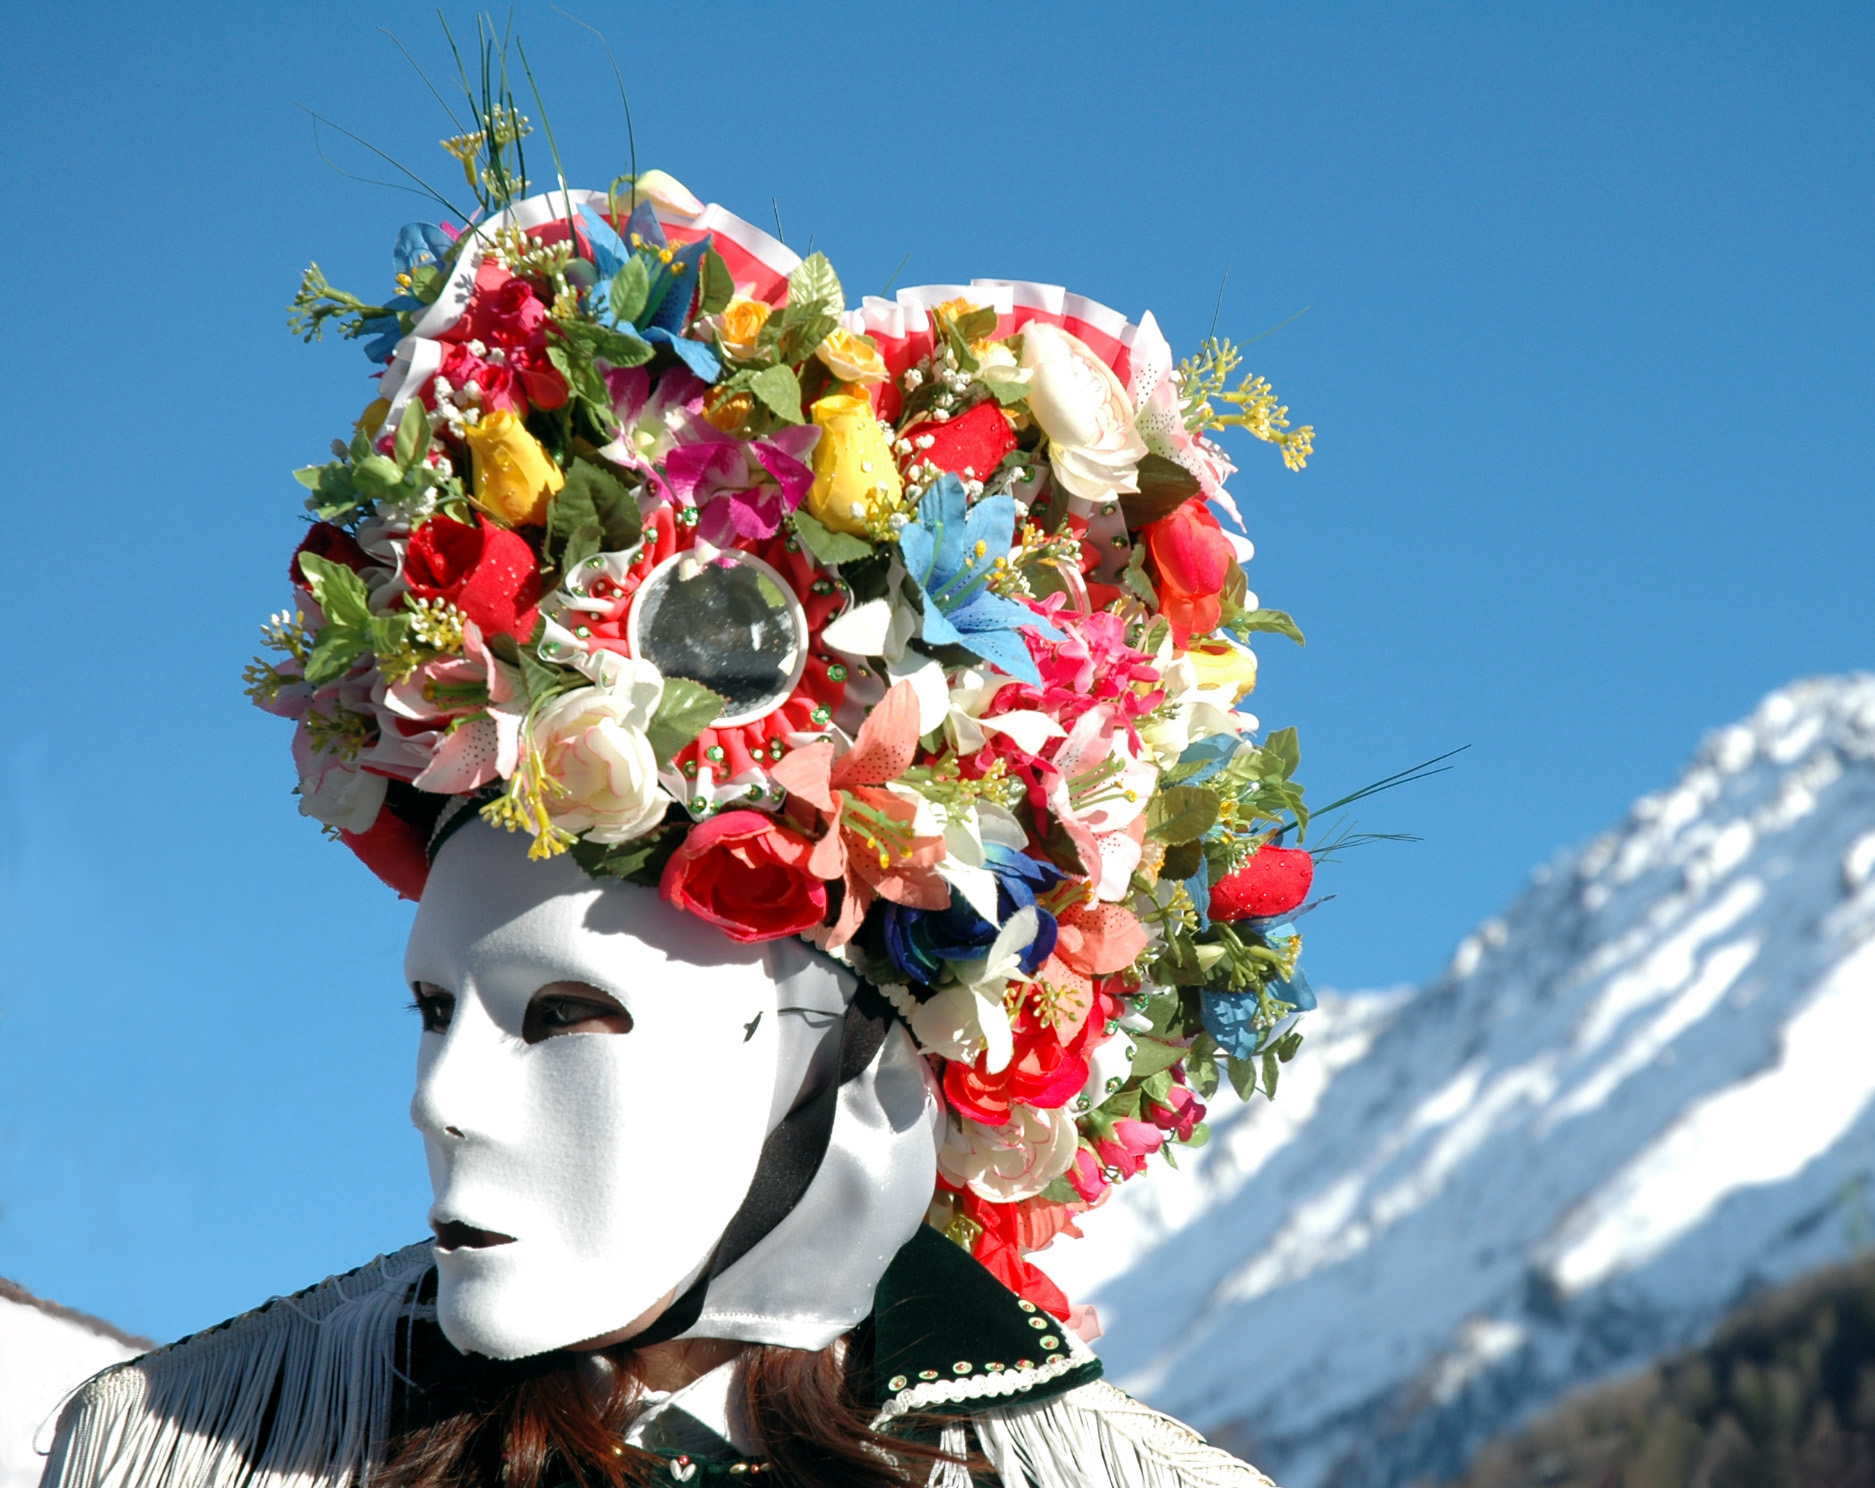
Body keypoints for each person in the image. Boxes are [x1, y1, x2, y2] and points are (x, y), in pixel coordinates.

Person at [40, 139, 1321, 1488]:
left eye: (566, 1014)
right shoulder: (195, 1448)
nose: (440, 1099)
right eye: (433, 1008)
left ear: (851, 1070)